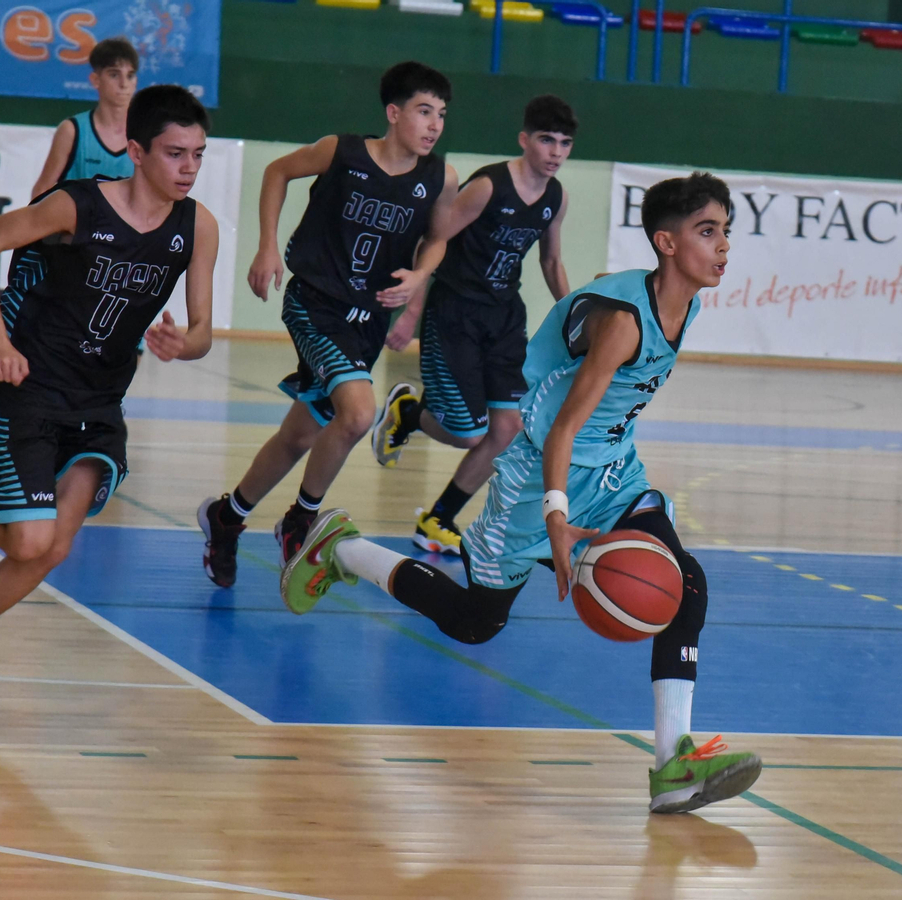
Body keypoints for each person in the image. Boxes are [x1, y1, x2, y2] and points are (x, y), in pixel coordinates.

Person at [281, 173, 761, 814]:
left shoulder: (688, 302)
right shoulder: (624, 323)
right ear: (666, 242)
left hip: (613, 471)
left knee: (688, 582)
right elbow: (563, 427)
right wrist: (557, 517)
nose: (723, 244)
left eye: (726, 231)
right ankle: (341, 549)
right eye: (708, 231)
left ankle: (673, 764)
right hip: (536, 469)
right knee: (476, 622)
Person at [0, 85, 218, 710]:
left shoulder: (197, 226)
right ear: (135, 151)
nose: (188, 168)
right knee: (29, 541)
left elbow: (204, 333)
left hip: (101, 405)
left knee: (53, 548)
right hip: (30, 388)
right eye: (174, 153)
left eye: (198, 155)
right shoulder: (78, 206)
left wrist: (182, 344)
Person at [195, 62, 457, 588]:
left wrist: (419, 278)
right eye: (424, 111)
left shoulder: (441, 177)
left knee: (299, 435)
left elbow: (439, 237)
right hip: (315, 304)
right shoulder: (342, 151)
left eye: (442, 115)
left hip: (369, 320)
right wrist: (268, 244)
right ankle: (301, 518)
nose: (434, 125)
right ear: (394, 113)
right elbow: (276, 172)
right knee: (358, 413)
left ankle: (227, 516)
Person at [368, 95, 575, 557]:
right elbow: (435, 239)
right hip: (455, 312)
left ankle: (437, 519)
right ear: (525, 141)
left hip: (504, 318)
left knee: (506, 430)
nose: (555, 152)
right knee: (468, 432)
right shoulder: (488, 186)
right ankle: (408, 415)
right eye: (546, 141)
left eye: (564, 144)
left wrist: (573, 315)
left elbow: (552, 260)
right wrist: (413, 313)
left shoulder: (555, 198)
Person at [31, 38, 141, 198]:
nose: (124, 83)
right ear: (96, 80)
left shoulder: (146, 134)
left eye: (130, 75)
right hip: (76, 222)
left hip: (129, 223)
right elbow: (41, 191)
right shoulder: (72, 131)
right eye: (114, 74)